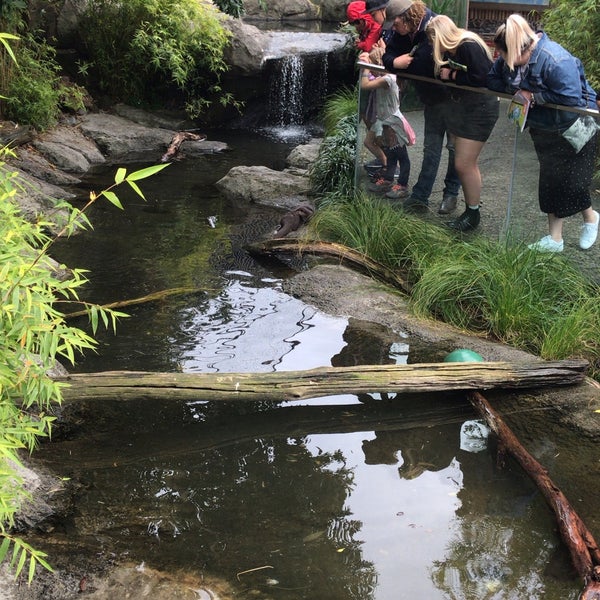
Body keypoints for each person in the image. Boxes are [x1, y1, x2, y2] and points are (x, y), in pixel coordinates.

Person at [487, 13, 599, 252]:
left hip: (575, 127)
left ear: (518, 49)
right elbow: (492, 79)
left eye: (506, 56)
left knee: (574, 184)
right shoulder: (510, 57)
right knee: (550, 181)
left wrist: (533, 95)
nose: (502, 60)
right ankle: (555, 239)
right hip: (544, 127)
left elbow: (571, 97)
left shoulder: (554, 59)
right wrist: (515, 90)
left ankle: (591, 219)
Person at [382, 0, 461, 215]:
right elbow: (387, 55)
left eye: (395, 24)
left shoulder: (435, 26)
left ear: (406, 18)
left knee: (455, 149)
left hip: (454, 99)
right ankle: (420, 197)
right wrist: (395, 63)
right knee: (431, 149)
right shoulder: (403, 30)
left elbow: (425, 66)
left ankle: (451, 193)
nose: (393, 29)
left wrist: (405, 63)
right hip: (432, 99)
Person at [426, 14, 499, 231]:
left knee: (464, 163)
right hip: (467, 108)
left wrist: (452, 75)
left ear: (439, 36)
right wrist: (447, 74)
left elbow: (482, 78)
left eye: (432, 40)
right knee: (464, 163)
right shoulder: (454, 49)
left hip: (481, 109)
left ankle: (473, 214)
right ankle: (471, 210)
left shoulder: (467, 45)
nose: (432, 45)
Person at [360, 46, 414, 197]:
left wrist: (364, 68)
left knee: (401, 156)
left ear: (377, 64)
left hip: (394, 124)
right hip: (385, 122)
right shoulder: (382, 77)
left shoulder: (388, 79)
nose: (370, 71)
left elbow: (364, 85)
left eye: (372, 66)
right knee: (390, 153)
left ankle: (402, 186)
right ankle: (388, 180)